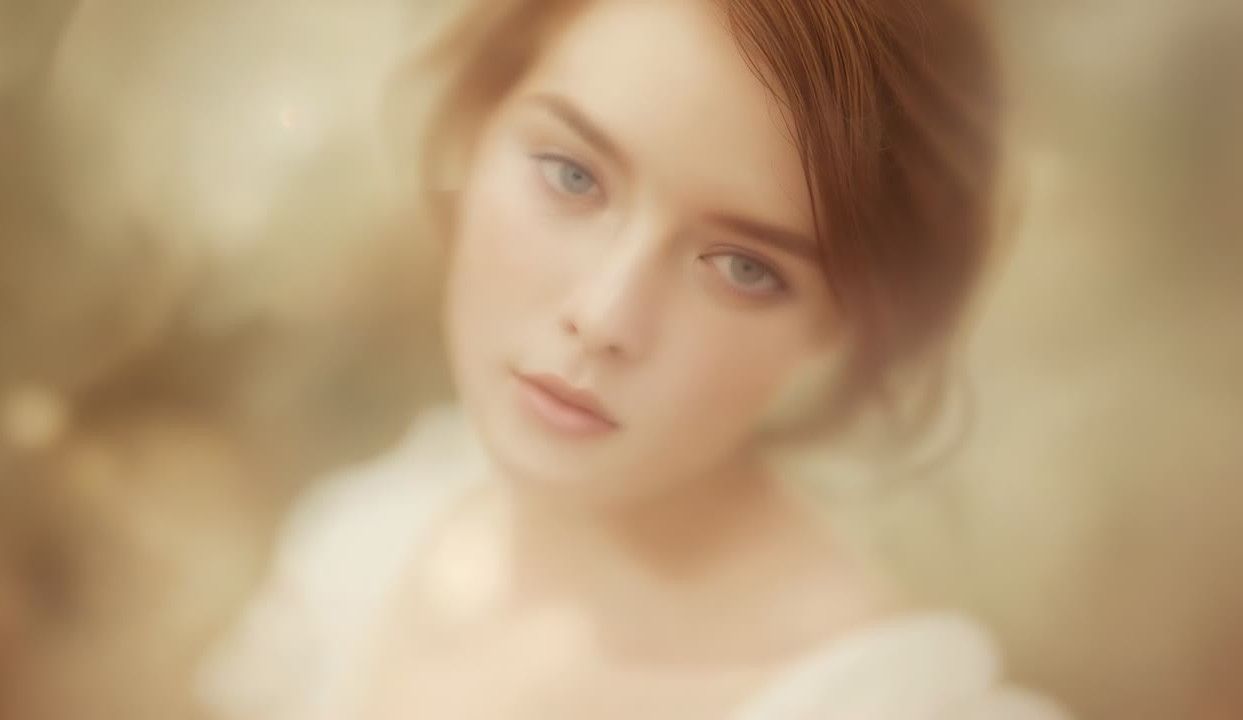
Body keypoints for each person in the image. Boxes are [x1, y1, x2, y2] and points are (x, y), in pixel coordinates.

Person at [199, 0, 1072, 717]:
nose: (604, 316)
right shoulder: (366, 542)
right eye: (571, 176)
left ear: (846, 321)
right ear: (478, 120)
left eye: (743, 268)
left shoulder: (887, 704)